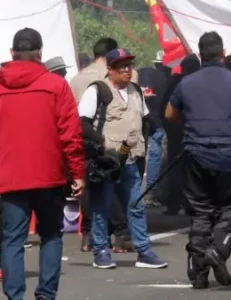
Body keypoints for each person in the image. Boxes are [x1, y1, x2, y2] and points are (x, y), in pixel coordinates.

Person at [165, 32, 231, 289]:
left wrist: (191, 120)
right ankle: (218, 250)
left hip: (196, 156)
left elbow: (169, 113)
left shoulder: (186, 83)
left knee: (201, 211)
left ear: (200, 55)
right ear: (223, 53)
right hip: (230, 158)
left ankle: (198, 272)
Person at [0, 28, 85, 300]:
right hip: (49, 175)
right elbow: (70, 133)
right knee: (51, 235)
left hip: (9, 175)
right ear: (40, 53)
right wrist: (78, 172)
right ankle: (46, 295)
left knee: (12, 239)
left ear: (12, 53)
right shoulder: (56, 85)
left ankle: (14, 296)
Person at [78, 48, 167, 270]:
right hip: (107, 161)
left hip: (130, 158)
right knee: (102, 206)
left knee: (135, 205)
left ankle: (144, 252)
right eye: (121, 66)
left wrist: (162, 134)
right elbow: (82, 123)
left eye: (129, 65)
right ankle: (100, 251)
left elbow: (147, 119)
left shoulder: (136, 91)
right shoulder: (97, 91)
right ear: (110, 69)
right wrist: (101, 144)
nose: (127, 70)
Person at [69, 37, 132, 254]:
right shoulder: (108, 78)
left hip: (80, 139)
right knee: (110, 187)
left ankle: (88, 236)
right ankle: (121, 233)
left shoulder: (77, 79)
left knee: (88, 188)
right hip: (107, 141)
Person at [161, 54, 201, 217]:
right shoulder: (198, 84)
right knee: (190, 169)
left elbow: (164, 108)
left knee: (177, 168)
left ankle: (175, 203)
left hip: (179, 131)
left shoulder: (177, 83)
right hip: (189, 132)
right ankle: (187, 203)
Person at [137, 51, 171, 207]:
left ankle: (143, 192)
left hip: (141, 123)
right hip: (160, 124)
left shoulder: (141, 75)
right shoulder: (166, 80)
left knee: (141, 156)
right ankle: (156, 193)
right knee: (159, 158)